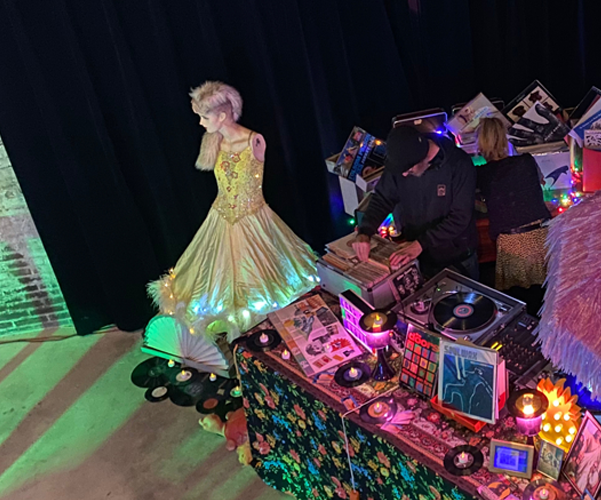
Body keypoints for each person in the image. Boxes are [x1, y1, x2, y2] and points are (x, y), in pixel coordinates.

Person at [148, 80, 318, 341]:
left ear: (222, 116)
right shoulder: (212, 141)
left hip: (254, 217)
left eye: (205, 117)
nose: (200, 123)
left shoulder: (254, 141)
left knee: (265, 281)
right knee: (209, 279)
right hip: (220, 216)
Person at [353, 125, 479, 280]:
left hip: (456, 259)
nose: (405, 175)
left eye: (409, 169)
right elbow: (382, 198)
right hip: (417, 256)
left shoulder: (459, 164)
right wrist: (365, 231)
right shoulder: (400, 161)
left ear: (424, 156)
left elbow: (460, 217)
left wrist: (421, 243)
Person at [475, 117, 551, 292]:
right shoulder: (526, 161)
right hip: (541, 237)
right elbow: (541, 183)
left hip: (512, 244)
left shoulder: (481, 174)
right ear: (504, 138)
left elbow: (478, 204)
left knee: (518, 298)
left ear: (480, 145)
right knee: (547, 294)